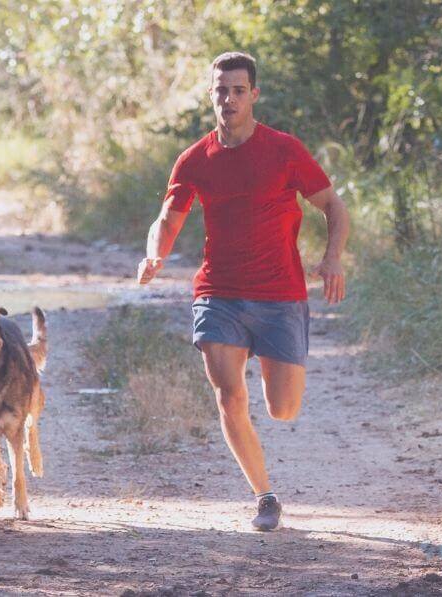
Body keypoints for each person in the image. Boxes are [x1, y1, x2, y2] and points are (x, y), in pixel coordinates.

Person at [136, 51, 350, 531]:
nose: (228, 99)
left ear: (253, 95)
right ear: (211, 95)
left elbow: (334, 207)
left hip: (281, 296)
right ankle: (265, 497)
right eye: (220, 91)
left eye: (238, 90)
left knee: (283, 408)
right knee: (229, 397)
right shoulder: (195, 159)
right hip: (219, 293)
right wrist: (156, 255)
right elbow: (168, 219)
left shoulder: (284, 150)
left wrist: (332, 258)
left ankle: (265, 365)